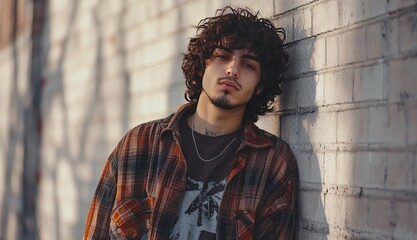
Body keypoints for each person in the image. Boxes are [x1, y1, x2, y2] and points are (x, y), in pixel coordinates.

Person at [84, 6, 298, 240]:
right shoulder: (138, 145)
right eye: (222, 56)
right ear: (203, 63)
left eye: (248, 65)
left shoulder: (272, 162)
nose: (232, 69)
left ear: (260, 86)